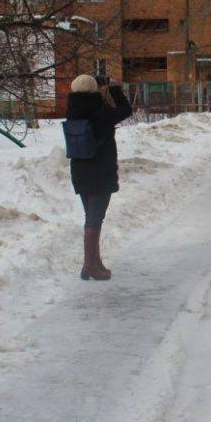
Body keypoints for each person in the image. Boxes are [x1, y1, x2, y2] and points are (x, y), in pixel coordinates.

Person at [66, 74, 132, 281]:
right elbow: (126, 109)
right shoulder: (100, 112)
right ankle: (89, 265)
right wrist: (113, 88)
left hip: (80, 172)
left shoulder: (73, 112)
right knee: (95, 220)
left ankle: (94, 263)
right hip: (100, 173)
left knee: (91, 218)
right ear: (94, 91)